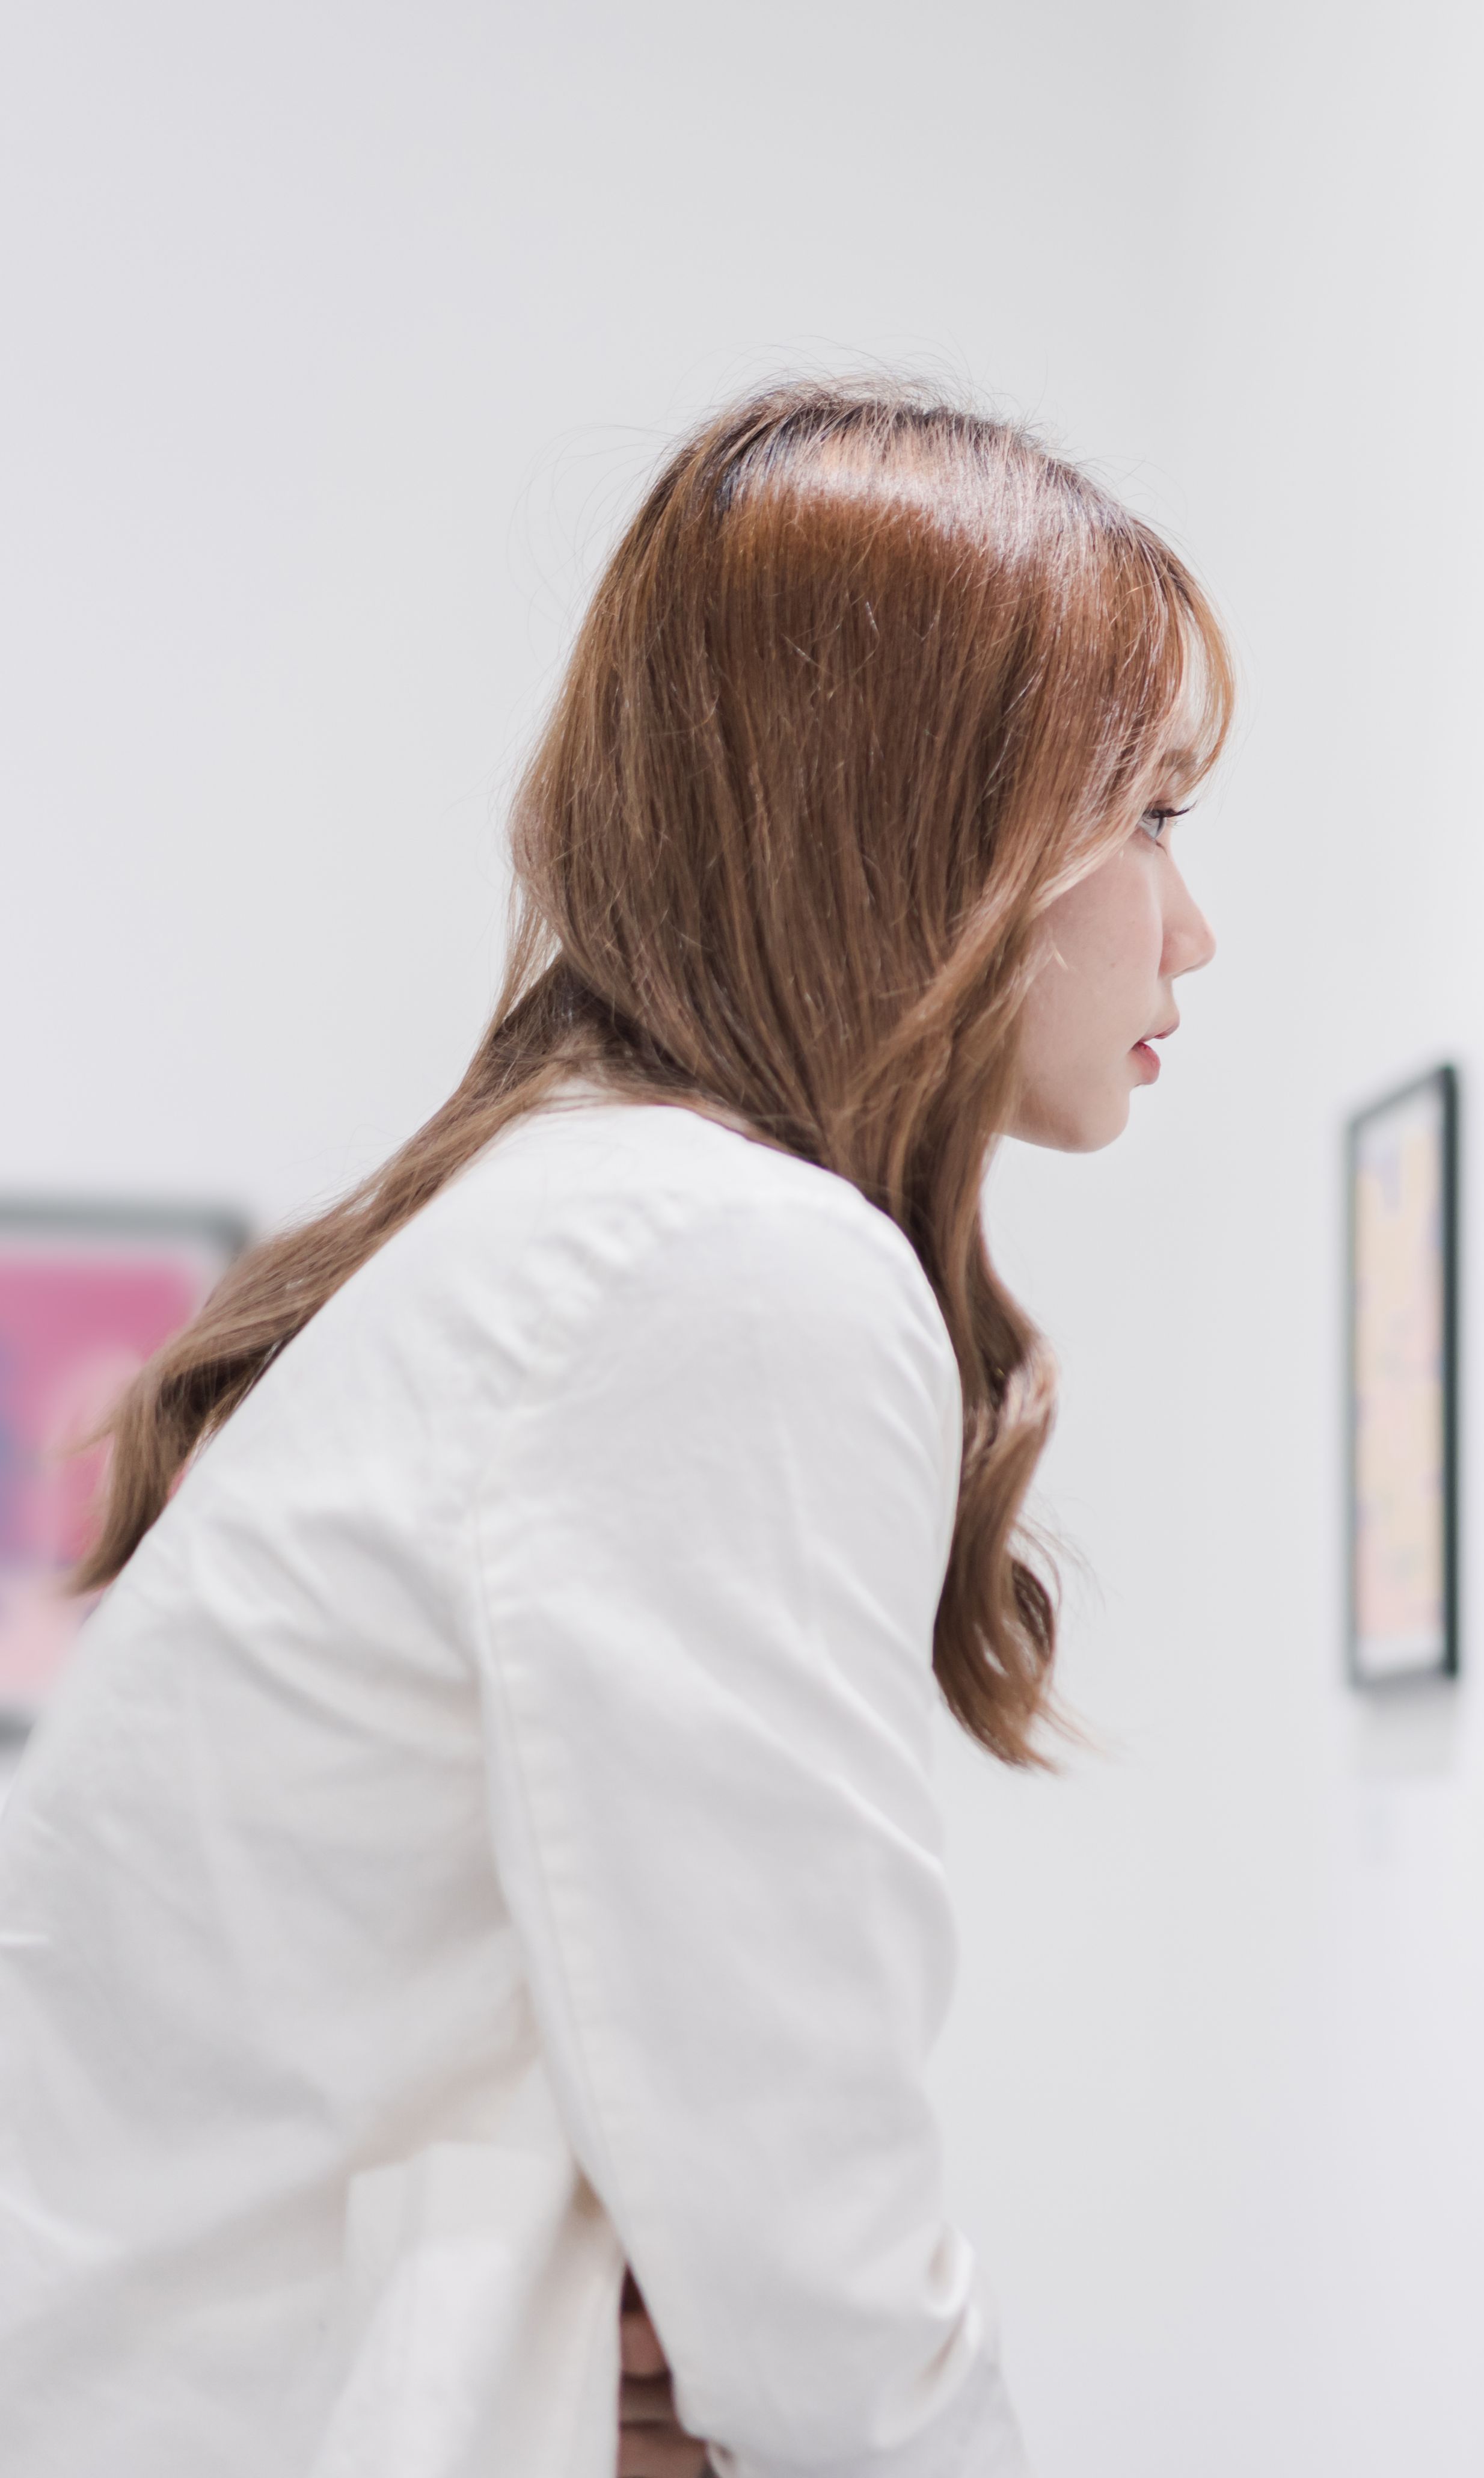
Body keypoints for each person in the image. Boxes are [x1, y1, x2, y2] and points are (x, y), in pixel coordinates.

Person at [0, 380, 1224, 2477]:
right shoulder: (718, 1268)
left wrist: (613, 2288)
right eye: (1155, 819)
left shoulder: (583, 1219)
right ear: (931, 819)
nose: (1191, 930)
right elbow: (817, 2270)